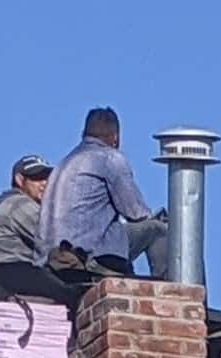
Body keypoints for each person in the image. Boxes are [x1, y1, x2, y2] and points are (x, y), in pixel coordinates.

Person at [42, 107, 167, 276]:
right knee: (159, 230)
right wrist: (157, 218)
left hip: (48, 257)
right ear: (115, 137)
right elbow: (135, 212)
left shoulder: (62, 165)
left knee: (118, 234)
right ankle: (174, 293)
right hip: (86, 256)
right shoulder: (109, 158)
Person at [0, 156, 53, 264]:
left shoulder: (10, 204)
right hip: (14, 275)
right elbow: (52, 236)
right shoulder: (18, 204)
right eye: (36, 178)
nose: (44, 183)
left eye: (47, 178)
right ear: (20, 180)